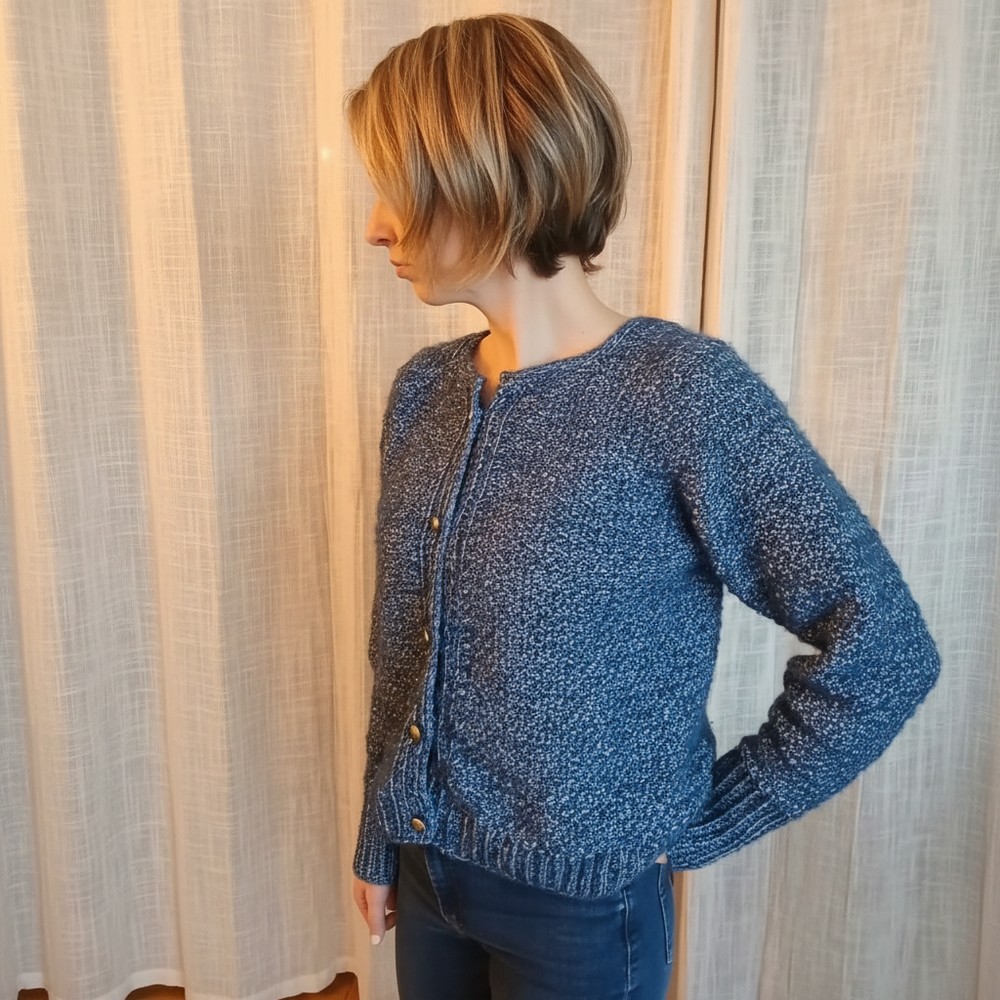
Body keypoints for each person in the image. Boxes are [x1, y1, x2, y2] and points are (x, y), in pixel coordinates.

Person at [344, 13, 941, 1000]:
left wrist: (709, 817)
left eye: (396, 190)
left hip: (582, 918)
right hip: (426, 874)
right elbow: (405, 652)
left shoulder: (680, 395)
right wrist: (380, 833)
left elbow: (885, 644)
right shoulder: (425, 392)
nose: (375, 226)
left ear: (488, 180)